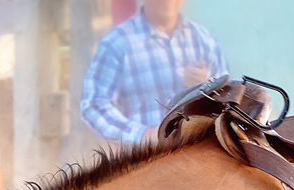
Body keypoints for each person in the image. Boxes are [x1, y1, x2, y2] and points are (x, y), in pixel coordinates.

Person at [80, 0, 227, 146]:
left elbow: (227, 104)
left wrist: (205, 87)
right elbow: (93, 105)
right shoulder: (117, 43)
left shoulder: (204, 40)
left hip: (196, 158)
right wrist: (143, 135)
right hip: (144, 162)